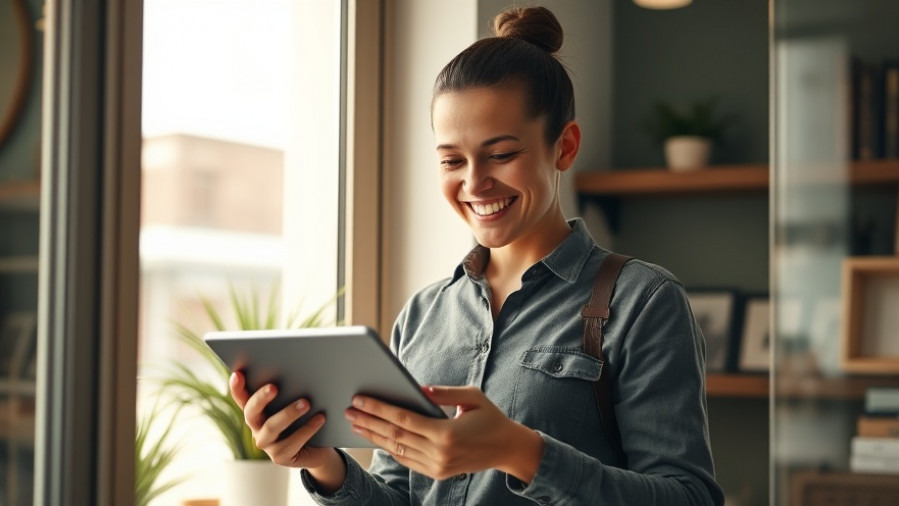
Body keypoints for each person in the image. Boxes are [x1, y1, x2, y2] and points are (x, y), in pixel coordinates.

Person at [230, 6, 725, 505]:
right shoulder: (423, 315)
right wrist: (323, 464)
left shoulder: (642, 301)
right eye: (452, 160)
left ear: (565, 146)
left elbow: (690, 498)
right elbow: (401, 494)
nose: (474, 182)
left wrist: (521, 452)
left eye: (502, 154)